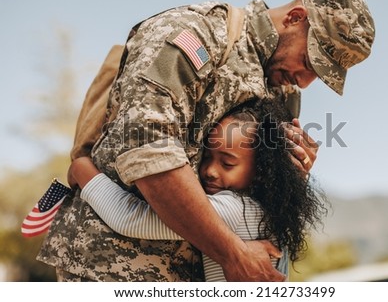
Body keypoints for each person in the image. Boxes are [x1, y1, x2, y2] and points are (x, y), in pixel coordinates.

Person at [37, 0, 375, 282]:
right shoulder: (196, 34)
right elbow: (149, 153)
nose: (305, 80)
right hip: (118, 267)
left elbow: (259, 198)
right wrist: (232, 254)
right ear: (295, 17)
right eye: (311, 60)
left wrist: (293, 173)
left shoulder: (284, 92)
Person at [68, 98, 328, 282]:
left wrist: (82, 169)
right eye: (206, 157)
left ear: (261, 171)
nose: (210, 171)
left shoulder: (235, 209)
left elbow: (129, 218)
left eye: (227, 163)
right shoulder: (272, 211)